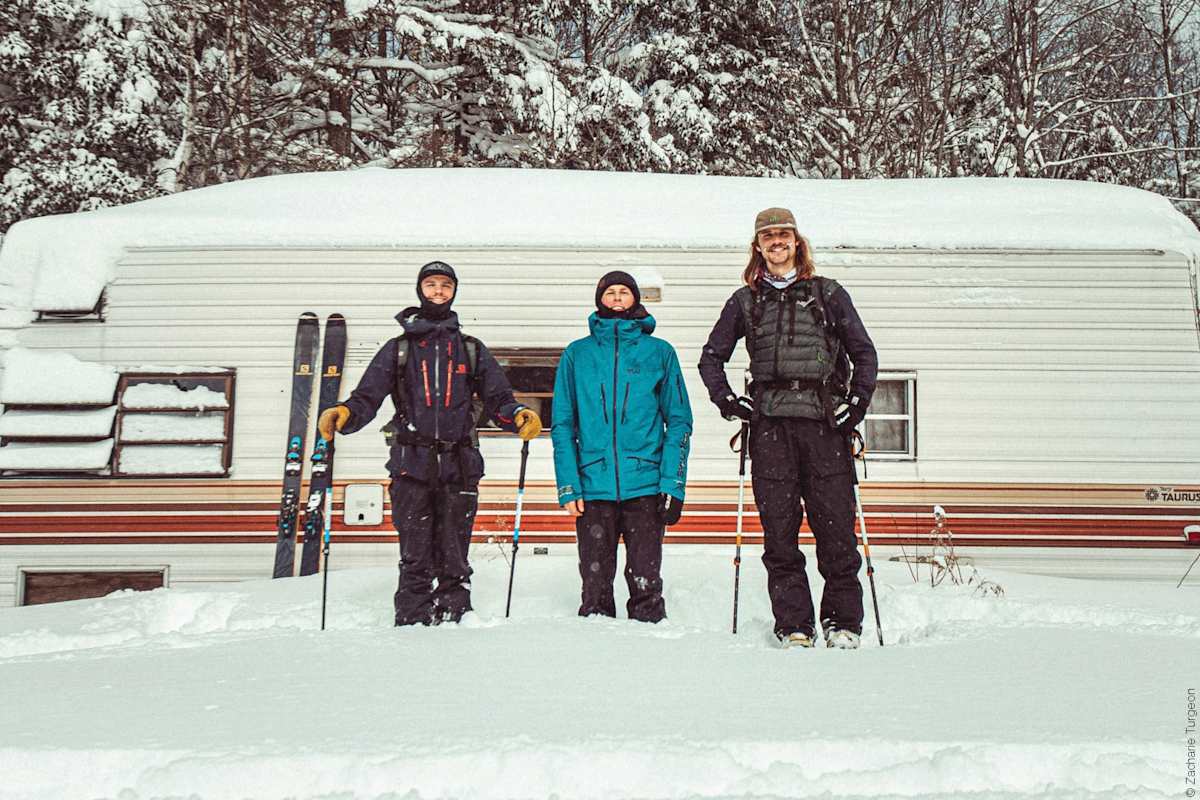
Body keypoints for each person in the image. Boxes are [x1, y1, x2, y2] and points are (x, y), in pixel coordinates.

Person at [318, 261, 542, 626]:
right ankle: (412, 620)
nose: (438, 291)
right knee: (415, 552)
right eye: (431, 284)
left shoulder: (470, 349)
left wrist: (517, 416)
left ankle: (455, 617)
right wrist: (344, 415)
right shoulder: (399, 349)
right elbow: (367, 397)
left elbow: (498, 398)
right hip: (412, 464)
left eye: (445, 286)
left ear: (454, 292)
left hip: (460, 465)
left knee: (455, 552)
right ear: (420, 290)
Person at [698, 208, 878, 649]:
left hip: (823, 426)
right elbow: (711, 357)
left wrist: (853, 407)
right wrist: (728, 401)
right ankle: (794, 624)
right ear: (757, 246)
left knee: (835, 531)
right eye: (767, 236)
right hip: (770, 429)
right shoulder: (745, 300)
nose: (776, 242)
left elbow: (864, 354)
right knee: (779, 535)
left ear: (797, 242)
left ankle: (843, 623)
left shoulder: (828, 293)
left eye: (783, 235)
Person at [551, 271, 693, 623]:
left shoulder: (659, 353)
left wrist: (672, 484)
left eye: (624, 292)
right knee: (595, 585)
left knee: (646, 582)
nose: (616, 298)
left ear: (635, 299)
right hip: (592, 485)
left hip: (644, 484)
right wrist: (568, 485)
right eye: (610, 292)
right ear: (599, 299)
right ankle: (597, 664)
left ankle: (648, 659)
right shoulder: (577, 354)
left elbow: (678, 421)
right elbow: (563, 425)